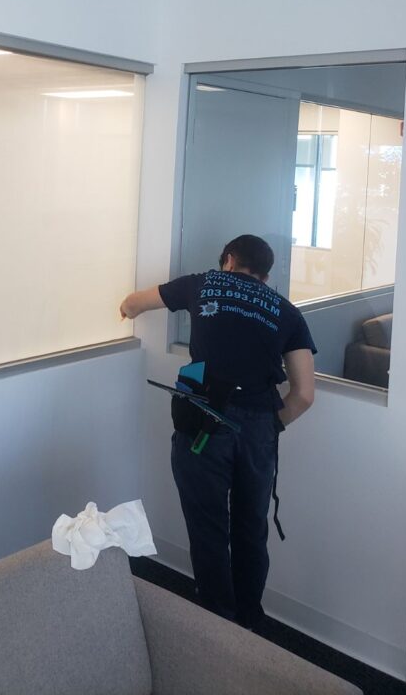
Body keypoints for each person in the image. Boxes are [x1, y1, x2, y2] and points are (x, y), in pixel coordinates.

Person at [120, 234, 315, 631]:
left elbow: (135, 302)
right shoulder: (287, 312)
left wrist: (123, 309)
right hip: (259, 426)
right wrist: (271, 425)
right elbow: (305, 394)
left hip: (205, 421)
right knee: (250, 527)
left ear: (228, 259)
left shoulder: (202, 283)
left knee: (209, 527)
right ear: (265, 274)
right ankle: (250, 621)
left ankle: (217, 627)